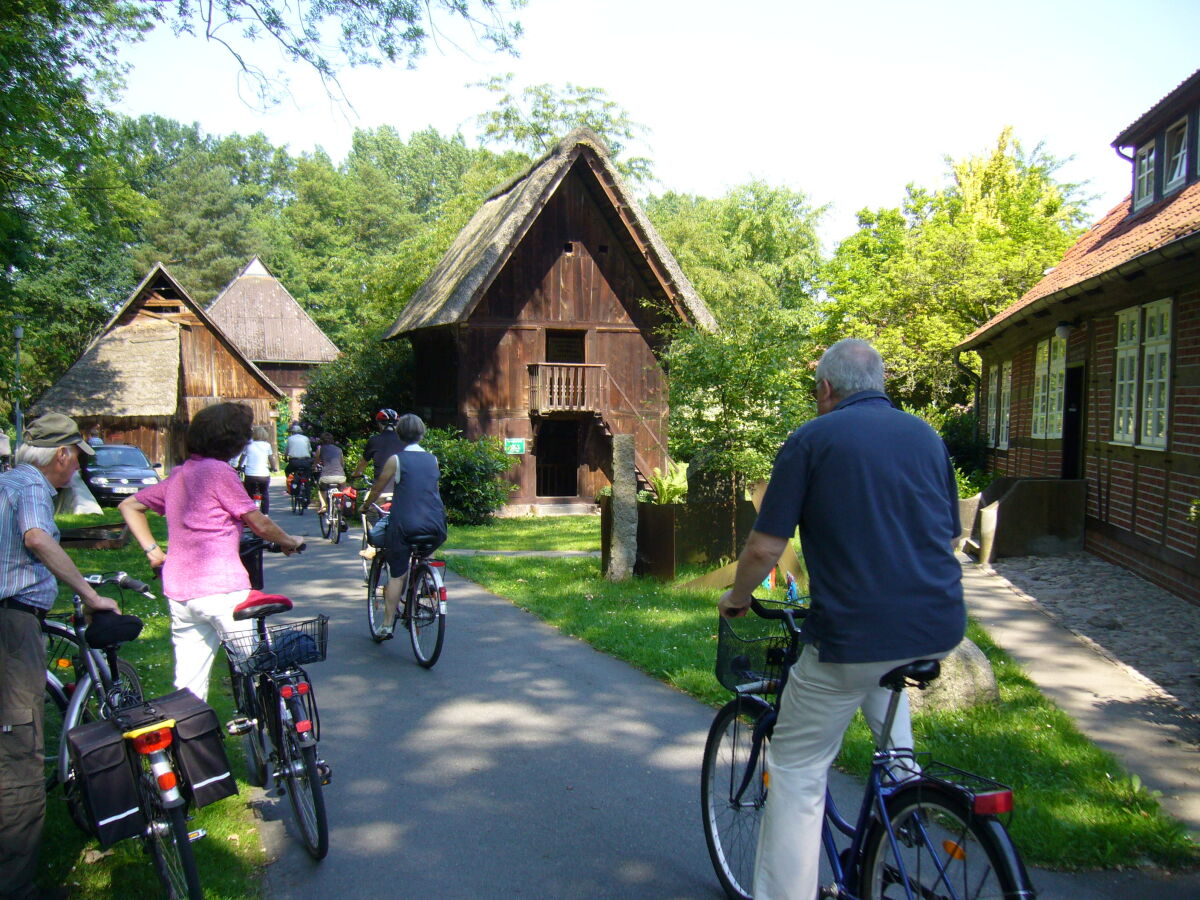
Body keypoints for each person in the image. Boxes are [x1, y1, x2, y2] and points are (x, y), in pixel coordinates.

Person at [717, 339, 965, 900]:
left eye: (815, 391)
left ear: (826, 390)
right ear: (878, 384)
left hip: (852, 634)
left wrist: (735, 597)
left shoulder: (812, 439)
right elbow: (948, 534)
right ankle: (905, 812)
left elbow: (764, 548)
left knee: (798, 766)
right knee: (887, 697)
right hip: (936, 625)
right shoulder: (926, 436)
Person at [1, 413, 120, 900]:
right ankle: (16, 889)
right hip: (10, 626)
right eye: (77, 460)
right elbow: (35, 538)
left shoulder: (6, 481)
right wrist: (91, 597)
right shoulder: (31, 486)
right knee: (19, 751)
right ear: (63, 455)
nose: (78, 471)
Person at [119, 403, 304, 702]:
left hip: (181, 594)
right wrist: (288, 540)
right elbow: (258, 522)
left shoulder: (180, 474)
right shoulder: (219, 472)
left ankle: (190, 743)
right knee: (261, 665)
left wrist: (154, 552)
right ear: (233, 441)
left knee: (189, 687)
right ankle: (288, 733)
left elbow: (129, 505)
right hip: (222, 590)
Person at [361, 414, 446, 638]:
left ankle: (387, 624)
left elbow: (378, 488)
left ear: (399, 434)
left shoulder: (396, 460)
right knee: (425, 555)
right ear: (422, 433)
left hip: (405, 525)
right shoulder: (433, 459)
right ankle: (426, 579)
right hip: (435, 525)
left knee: (397, 575)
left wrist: (365, 505)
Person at [350, 408, 405, 489]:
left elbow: (362, 464)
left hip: (380, 490)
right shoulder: (404, 441)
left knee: (366, 501)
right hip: (401, 489)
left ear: (379, 424)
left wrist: (356, 475)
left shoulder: (374, 440)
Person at [237, 425, 277, 514]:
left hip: (250, 475)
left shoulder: (248, 445)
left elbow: (242, 457)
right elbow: (271, 458)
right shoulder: (267, 445)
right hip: (263, 475)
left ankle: (250, 515)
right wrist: (274, 468)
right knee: (264, 493)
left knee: (249, 495)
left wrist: (239, 466)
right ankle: (265, 514)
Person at [314, 432, 346, 515]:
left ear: (322, 440)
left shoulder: (320, 448)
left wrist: (313, 468)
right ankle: (342, 506)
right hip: (340, 476)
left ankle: (324, 506)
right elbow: (342, 464)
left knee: (321, 489)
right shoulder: (339, 449)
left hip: (326, 477)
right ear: (332, 440)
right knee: (342, 489)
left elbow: (316, 461)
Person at [284, 422, 313, 495]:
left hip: (294, 462)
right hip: (306, 461)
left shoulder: (290, 439)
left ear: (292, 432)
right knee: (308, 474)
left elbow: (286, 451)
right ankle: (308, 487)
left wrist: (285, 458)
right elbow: (310, 450)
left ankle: (292, 485)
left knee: (287, 471)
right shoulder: (306, 438)